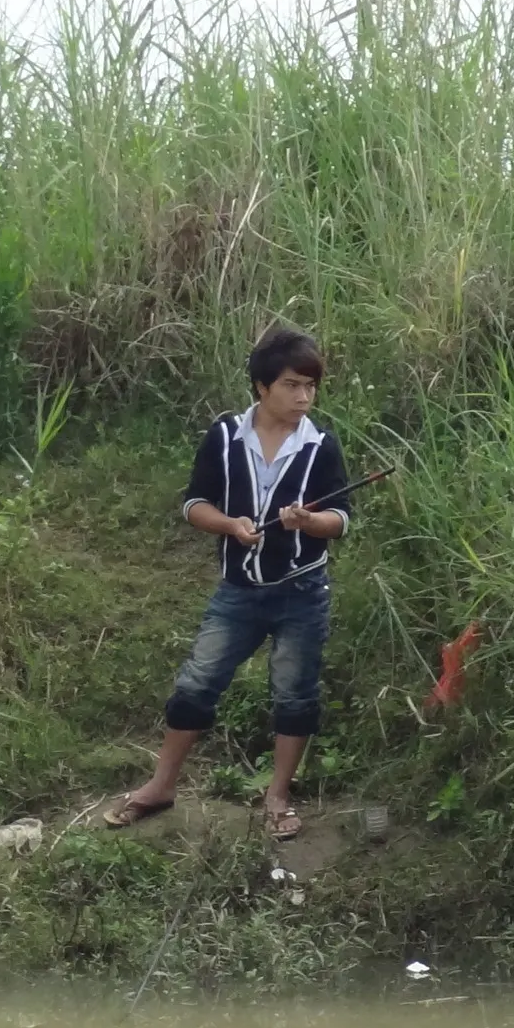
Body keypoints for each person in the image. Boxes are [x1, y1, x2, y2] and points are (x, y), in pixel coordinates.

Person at [104, 325, 350, 840]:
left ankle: (278, 796)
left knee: (295, 693)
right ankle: (161, 785)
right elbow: (195, 505)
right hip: (237, 590)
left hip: (303, 591)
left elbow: (342, 520)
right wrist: (231, 526)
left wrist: (310, 522)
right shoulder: (223, 437)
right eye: (291, 385)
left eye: (311, 386)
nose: (304, 396)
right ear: (262, 387)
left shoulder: (321, 445)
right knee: (197, 682)